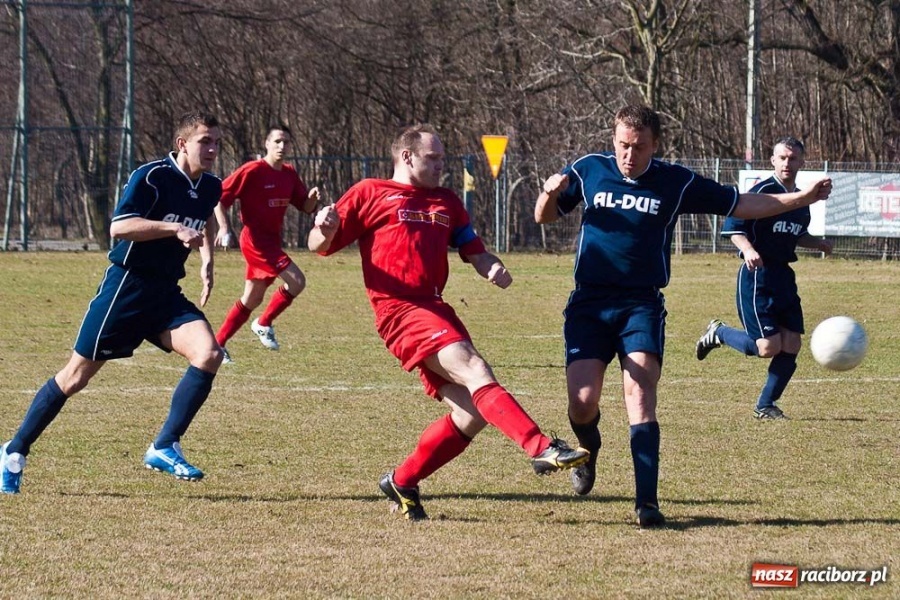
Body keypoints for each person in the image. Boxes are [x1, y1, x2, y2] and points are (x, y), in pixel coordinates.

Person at [535, 105, 832, 527]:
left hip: (641, 305)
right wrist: (548, 193)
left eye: (638, 147)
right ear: (613, 140)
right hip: (589, 304)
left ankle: (647, 504)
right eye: (622, 144)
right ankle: (590, 451)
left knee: (640, 395)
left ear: (655, 145)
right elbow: (542, 217)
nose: (628, 154)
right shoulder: (588, 170)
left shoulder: (675, 181)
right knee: (582, 405)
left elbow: (743, 203)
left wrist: (802, 198)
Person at [308, 123, 589, 521]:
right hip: (399, 311)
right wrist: (324, 228)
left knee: (472, 413)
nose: (442, 165)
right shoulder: (370, 192)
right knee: (476, 369)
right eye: (433, 158)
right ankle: (540, 447)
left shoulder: (447, 202)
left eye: (443, 158)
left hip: (435, 308)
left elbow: (475, 250)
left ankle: (402, 480)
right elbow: (317, 247)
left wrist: (493, 268)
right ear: (407, 157)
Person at [0, 112, 225, 494]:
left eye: (217, 143)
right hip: (126, 290)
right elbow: (119, 226)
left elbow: (204, 223)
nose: (213, 149)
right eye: (205, 141)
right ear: (183, 143)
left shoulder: (210, 187)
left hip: (166, 294)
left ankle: (164, 445)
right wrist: (173, 228)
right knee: (75, 377)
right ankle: (13, 451)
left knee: (209, 354)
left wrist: (206, 259)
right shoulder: (152, 176)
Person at [695, 137, 833, 420]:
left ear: (802, 162)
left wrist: (817, 243)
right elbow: (733, 227)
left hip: (783, 275)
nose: (787, 163)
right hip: (757, 276)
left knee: (792, 343)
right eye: (782, 158)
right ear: (772, 161)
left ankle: (766, 405)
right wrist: (747, 250)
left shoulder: (800, 200)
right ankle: (719, 332)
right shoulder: (761, 192)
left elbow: (795, 234)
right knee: (768, 347)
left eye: (793, 159)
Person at [213, 126, 320, 361]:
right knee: (297, 281)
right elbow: (218, 199)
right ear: (267, 144)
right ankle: (263, 323)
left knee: (252, 298)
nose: (282, 146)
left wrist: (312, 199)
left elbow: (305, 207)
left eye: (287, 142)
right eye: (278, 141)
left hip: (272, 241)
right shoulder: (252, 170)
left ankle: (218, 345)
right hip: (255, 242)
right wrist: (223, 228)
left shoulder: (289, 173)